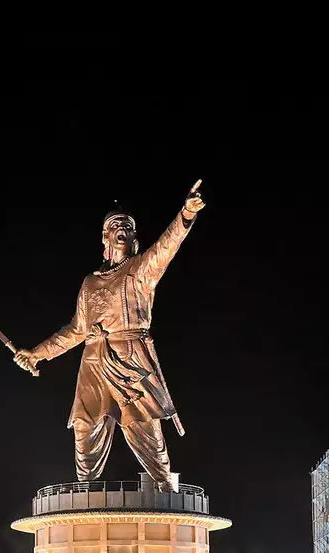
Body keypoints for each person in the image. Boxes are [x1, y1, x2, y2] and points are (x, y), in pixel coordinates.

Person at [12, 182, 205, 490]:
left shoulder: (139, 271)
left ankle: (166, 488)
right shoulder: (89, 283)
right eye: (116, 226)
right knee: (84, 426)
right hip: (93, 360)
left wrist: (186, 214)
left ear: (135, 238)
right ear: (105, 236)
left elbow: (165, 249)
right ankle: (85, 493)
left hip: (129, 357)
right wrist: (37, 354)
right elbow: (76, 330)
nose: (121, 230)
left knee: (144, 427)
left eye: (127, 227)